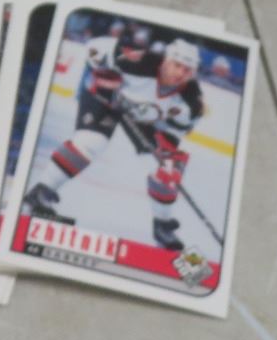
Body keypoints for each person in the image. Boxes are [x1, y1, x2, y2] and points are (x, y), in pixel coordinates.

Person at [25, 32, 207, 252]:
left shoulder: (192, 102)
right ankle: (41, 192)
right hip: (106, 100)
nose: (180, 73)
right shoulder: (140, 61)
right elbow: (94, 47)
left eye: (187, 70)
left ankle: (162, 225)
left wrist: (167, 158)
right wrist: (103, 74)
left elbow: (174, 132)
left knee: (169, 170)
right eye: (177, 65)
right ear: (166, 60)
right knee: (91, 142)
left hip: (144, 120)